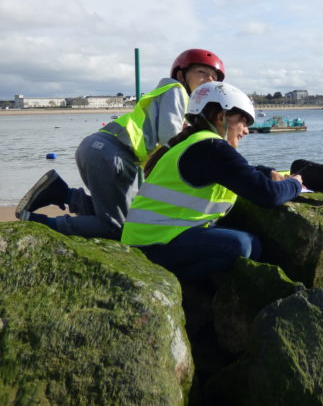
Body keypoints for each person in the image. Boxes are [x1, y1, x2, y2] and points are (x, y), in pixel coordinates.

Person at [16, 48, 226, 239]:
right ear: (181, 74)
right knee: (115, 227)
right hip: (113, 154)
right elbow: (169, 136)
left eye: (214, 77)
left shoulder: (176, 99)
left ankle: (62, 193)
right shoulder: (176, 90)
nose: (208, 79)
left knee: (111, 214)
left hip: (98, 147)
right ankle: (42, 225)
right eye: (202, 72)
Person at [120, 81, 302, 284]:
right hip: (153, 246)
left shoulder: (195, 143)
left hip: (150, 238)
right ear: (220, 116)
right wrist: (296, 184)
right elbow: (268, 195)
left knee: (248, 244)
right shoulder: (212, 147)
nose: (246, 131)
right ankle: (173, 285)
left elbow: (241, 171)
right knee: (244, 245)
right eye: (243, 121)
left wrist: (269, 172)